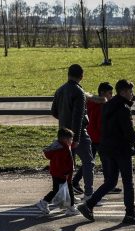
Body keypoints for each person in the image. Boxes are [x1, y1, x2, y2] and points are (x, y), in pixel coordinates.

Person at [78, 80, 135, 224]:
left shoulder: (108, 105)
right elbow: (127, 131)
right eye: (130, 91)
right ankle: (130, 213)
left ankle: (89, 205)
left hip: (106, 148)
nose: (132, 94)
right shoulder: (123, 108)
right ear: (122, 92)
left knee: (111, 181)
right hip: (120, 149)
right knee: (128, 182)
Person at [51, 64, 97, 203]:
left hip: (63, 132)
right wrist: (76, 138)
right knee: (88, 162)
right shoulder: (79, 92)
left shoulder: (60, 90)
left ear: (68, 74)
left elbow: (54, 111)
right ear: (81, 76)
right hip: (79, 134)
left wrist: (64, 119)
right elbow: (78, 117)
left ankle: (65, 194)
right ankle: (89, 193)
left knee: (67, 166)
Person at [72, 82, 122, 195]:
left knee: (88, 162)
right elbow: (100, 124)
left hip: (91, 135)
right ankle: (109, 184)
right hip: (100, 138)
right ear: (102, 93)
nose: (112, 95)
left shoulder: (90, 103)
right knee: (106, 161)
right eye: (110, 93)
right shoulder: (102, 105)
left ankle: (75, 181)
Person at [36, 128, 78, 216]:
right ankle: (70, 207)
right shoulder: (62, 149)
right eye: (71, 139)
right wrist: (66, 172)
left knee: (60, 189)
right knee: (63, 189)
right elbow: (60, 163)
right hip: (62, 174)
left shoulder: (61, 146)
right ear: (65, 140)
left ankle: (70, 206)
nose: (72, 141)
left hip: (58, 173)